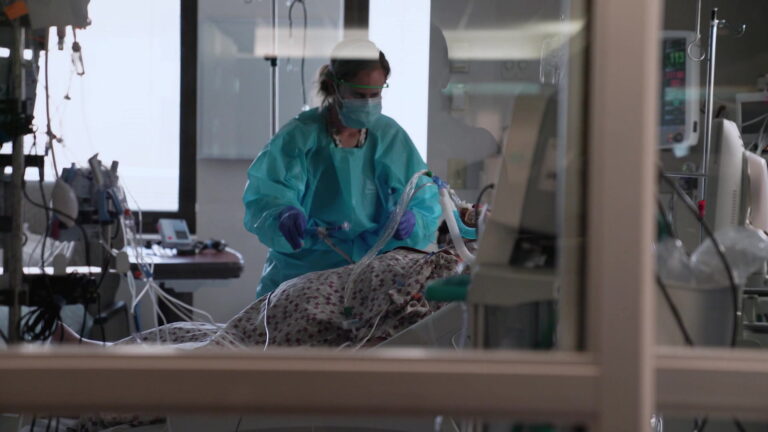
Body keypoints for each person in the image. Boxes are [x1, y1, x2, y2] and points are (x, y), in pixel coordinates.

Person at [242, 39, 442, 298]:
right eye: (360, 96)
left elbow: (424, 198)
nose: (369, 103)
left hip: (372, 275)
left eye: (376, 95)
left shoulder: (390, 137)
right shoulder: (301, 136)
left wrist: (413, 219)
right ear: (337, 87)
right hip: (303, 276)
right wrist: (282, 214)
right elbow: (265, 194)